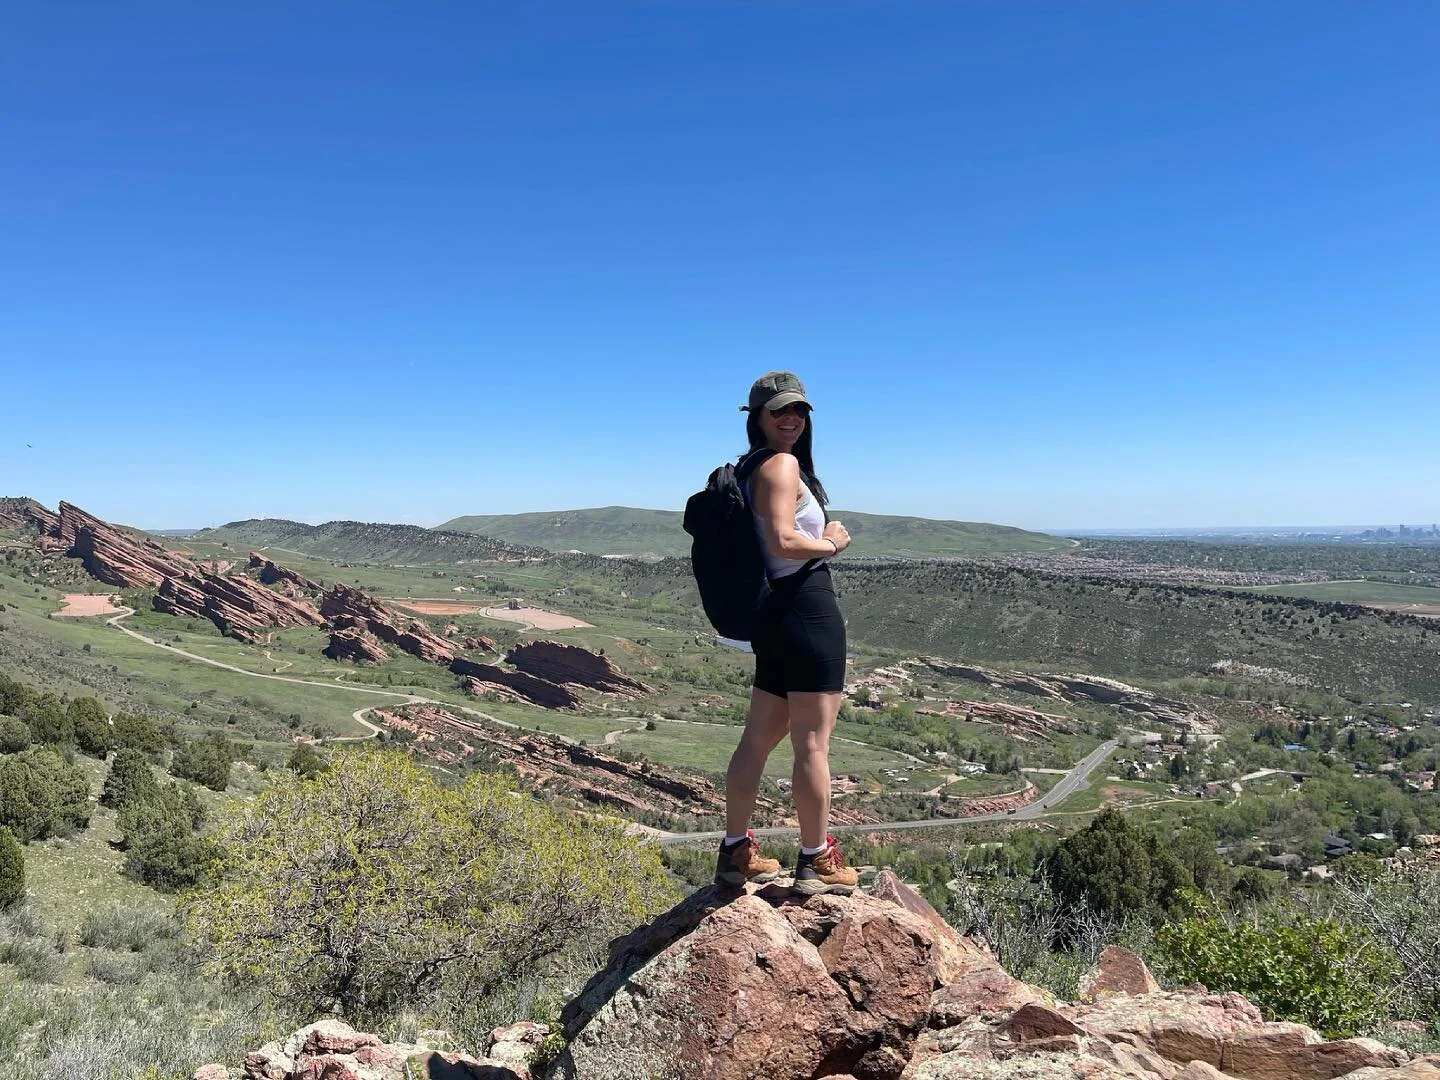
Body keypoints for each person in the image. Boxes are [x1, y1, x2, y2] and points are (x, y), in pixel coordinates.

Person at [714, 371, 860, 895]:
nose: (791, 419)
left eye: (798, 411)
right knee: (813, 746)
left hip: (774, 619)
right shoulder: (781, 464)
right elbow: (782, 541)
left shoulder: (748, 467)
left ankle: (735, 851)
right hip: (807, 612)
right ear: (757, 417)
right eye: (779, 411)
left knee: (756, 741)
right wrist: (834, 543)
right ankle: (816, 858)